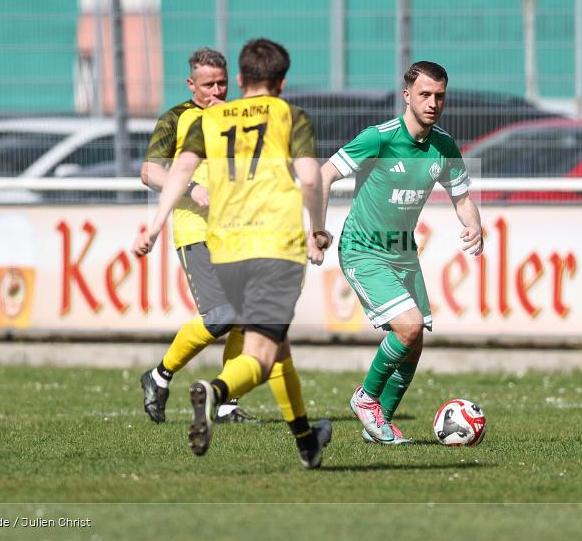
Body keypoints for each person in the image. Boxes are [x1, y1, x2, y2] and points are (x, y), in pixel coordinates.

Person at [133, 38, 333, 468]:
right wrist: (317, 229)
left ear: (238, 80)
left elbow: (180, 169)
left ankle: (303, 440)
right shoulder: (289, 115)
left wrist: (152, 227)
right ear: (282, 81)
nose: (218, 91)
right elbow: (311, 178)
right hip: (274, 245)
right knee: (259, 346)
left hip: (227, 243)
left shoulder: (215, 120)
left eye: (224, 83)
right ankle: (217, 392)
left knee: (273, 345)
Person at [319, 61, 483, 444]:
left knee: (415, 341)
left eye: (440, 96)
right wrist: (317, 228)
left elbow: (462, 199)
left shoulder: (444, 146)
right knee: (407, 327)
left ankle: (380, 425)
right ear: (407, 96)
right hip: (362, 249)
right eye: (425, 95)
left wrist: (473, 222)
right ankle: (366, 398)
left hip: (402, 252)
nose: (433, 103)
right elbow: (324, 174)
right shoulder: (380, 138)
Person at [138, 47, 252, 424]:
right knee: (222, 314)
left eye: (222, 83)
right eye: (208, 85)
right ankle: (159, 375)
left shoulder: (236, 117)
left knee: (246, 317)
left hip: (236, 230)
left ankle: (227, 404)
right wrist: (190, 189)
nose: (217, 91)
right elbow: (149, 172)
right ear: (191, 84)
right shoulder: (175, 119)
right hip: (196, 231)